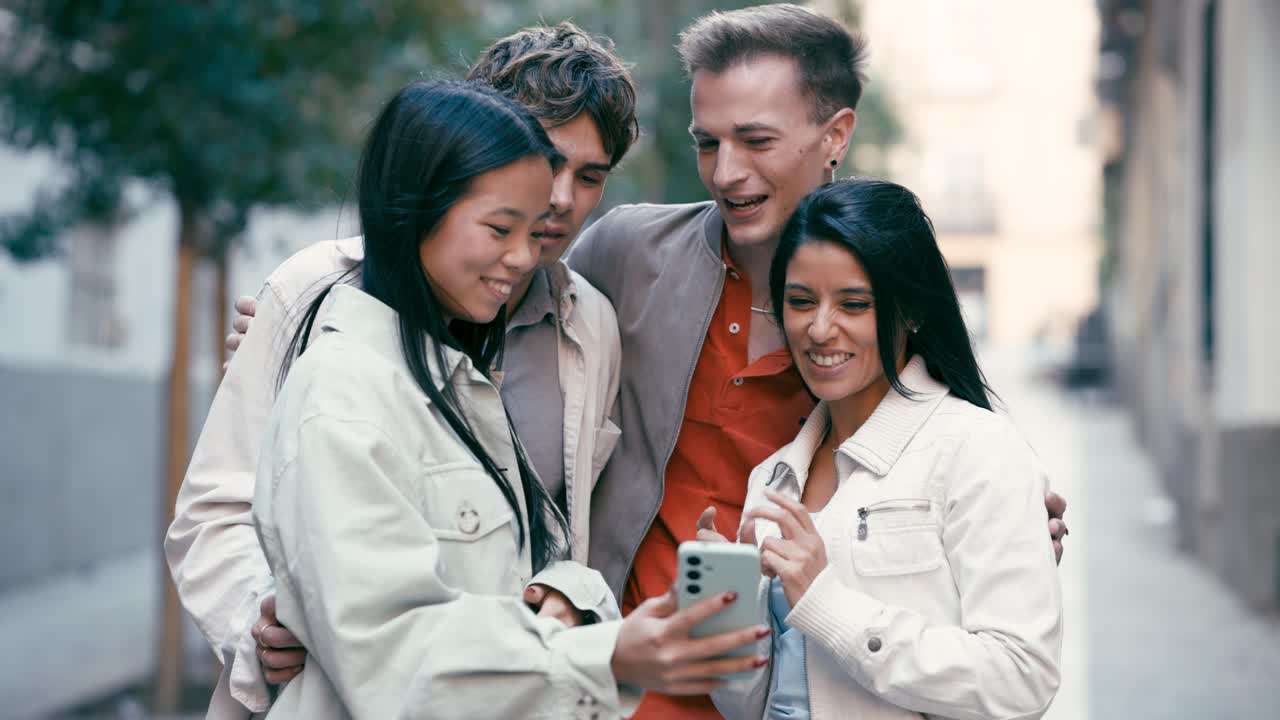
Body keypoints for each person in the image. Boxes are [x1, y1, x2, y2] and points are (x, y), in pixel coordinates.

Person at [563, 6, 1067, 717]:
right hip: (632, 689)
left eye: (756, 140)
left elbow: (953, 448)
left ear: (835, 136)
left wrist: (1001, 521)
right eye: (707, 142)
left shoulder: (892, 294)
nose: (726, 172)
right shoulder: (627, 253)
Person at [252, 79, 767, 719]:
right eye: (500, 228)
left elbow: (529, 562)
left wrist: (569, 599)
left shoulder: (461, 377)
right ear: (416, 209)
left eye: (530, 230)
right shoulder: (342, 394)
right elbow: (392, 655)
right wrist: (604, 656)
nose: (523, 257)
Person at [165, 23, 640, 715]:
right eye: (546, 159)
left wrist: (569, 599)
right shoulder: (315, 294)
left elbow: (561, 535)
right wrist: (255, 617)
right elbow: (218, 505)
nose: (560, 198)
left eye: (589, 176)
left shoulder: (590, 324)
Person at [694, 177, 1062, 719]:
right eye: (800, 302)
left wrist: (824, 601)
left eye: (854, 304)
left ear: (910, 309)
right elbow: (752, 704)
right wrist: (724, 603)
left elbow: (1022, 678)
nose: (820, 329)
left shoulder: (977, 449)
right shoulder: (771, 480)